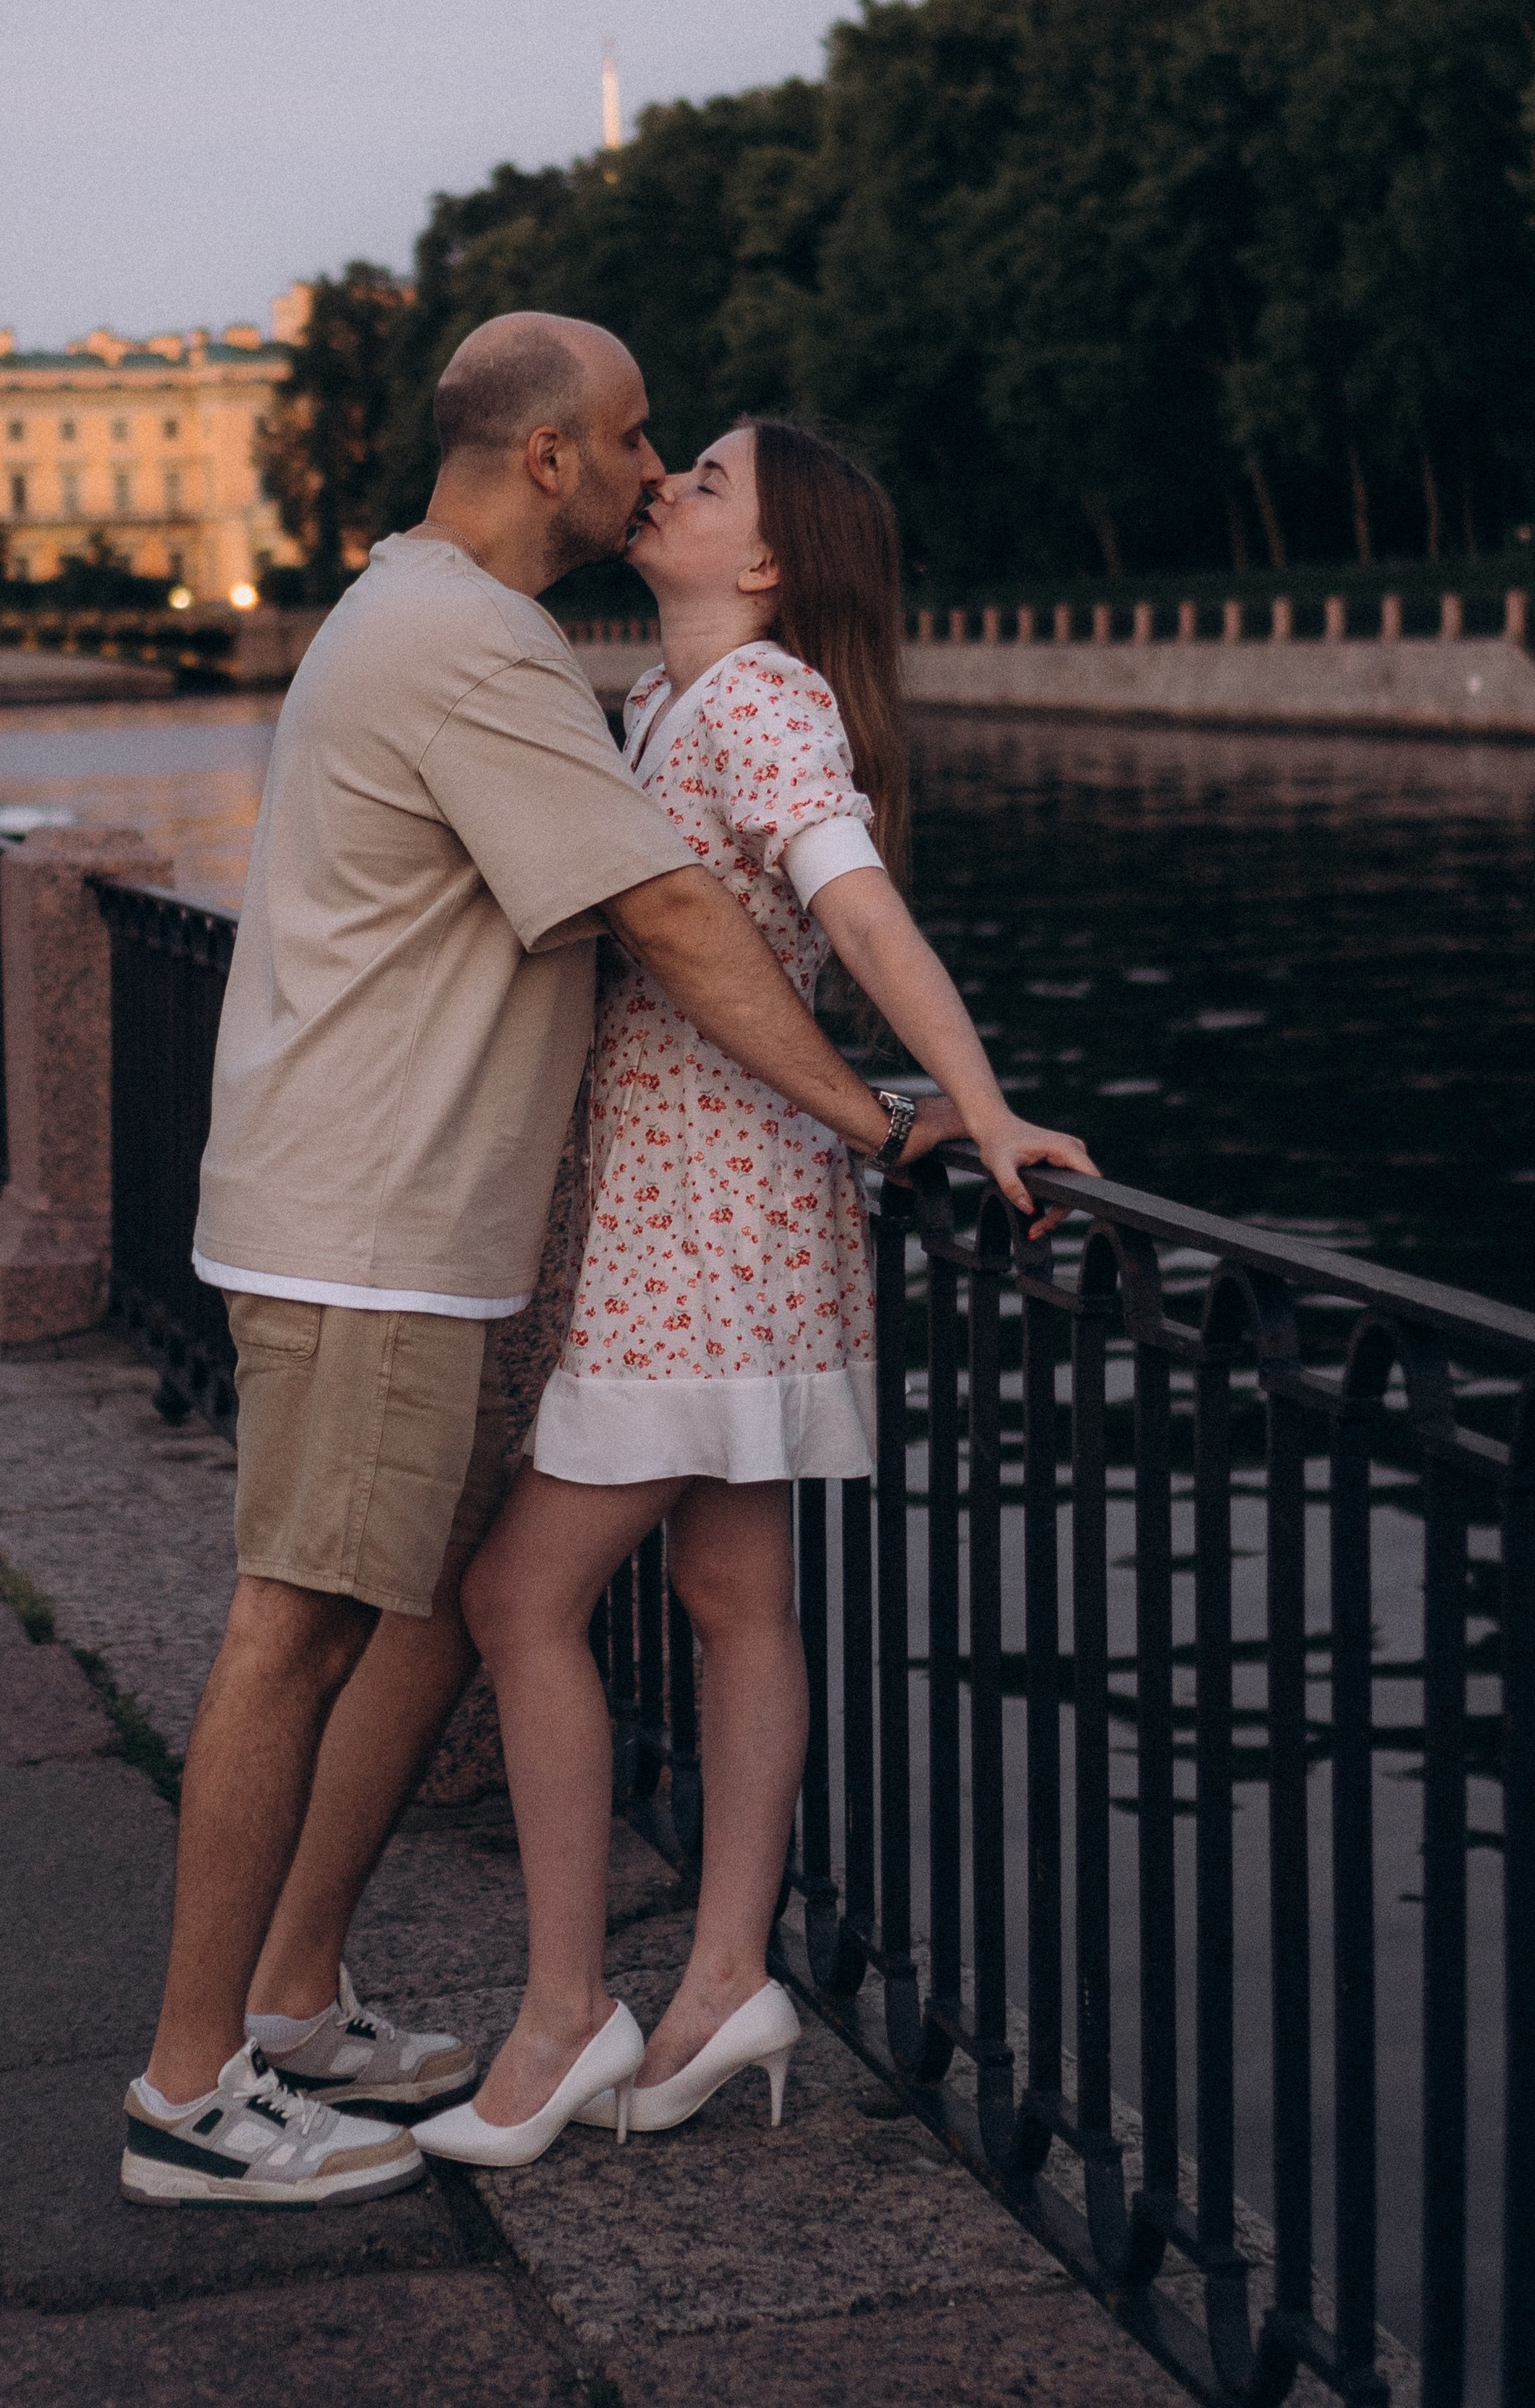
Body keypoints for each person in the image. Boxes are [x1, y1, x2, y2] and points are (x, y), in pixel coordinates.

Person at [122, 326, 957, 2208]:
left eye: (695, 457)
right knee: (303, 1620)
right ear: (556, 460)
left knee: (424, 1608)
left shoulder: (426, 614)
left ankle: (297, 1996)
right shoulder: (480, 648)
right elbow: (663, 908)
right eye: (642, 436)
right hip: (374, 1225)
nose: (659, 465)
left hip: (429, 1220)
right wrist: (873, 1115)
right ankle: (188, 2093)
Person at [416, 418, 1096, 2170]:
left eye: (705, 480)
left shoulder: (763, 701)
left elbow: (854, 910)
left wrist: (981, 1099)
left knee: (513, 1596)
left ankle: (566, 2014)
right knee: (731, 1594)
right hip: (695, 1214)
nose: (665, 486)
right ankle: (723, 1980)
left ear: (773, 561)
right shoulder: (660, 698)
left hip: (703, 1228)